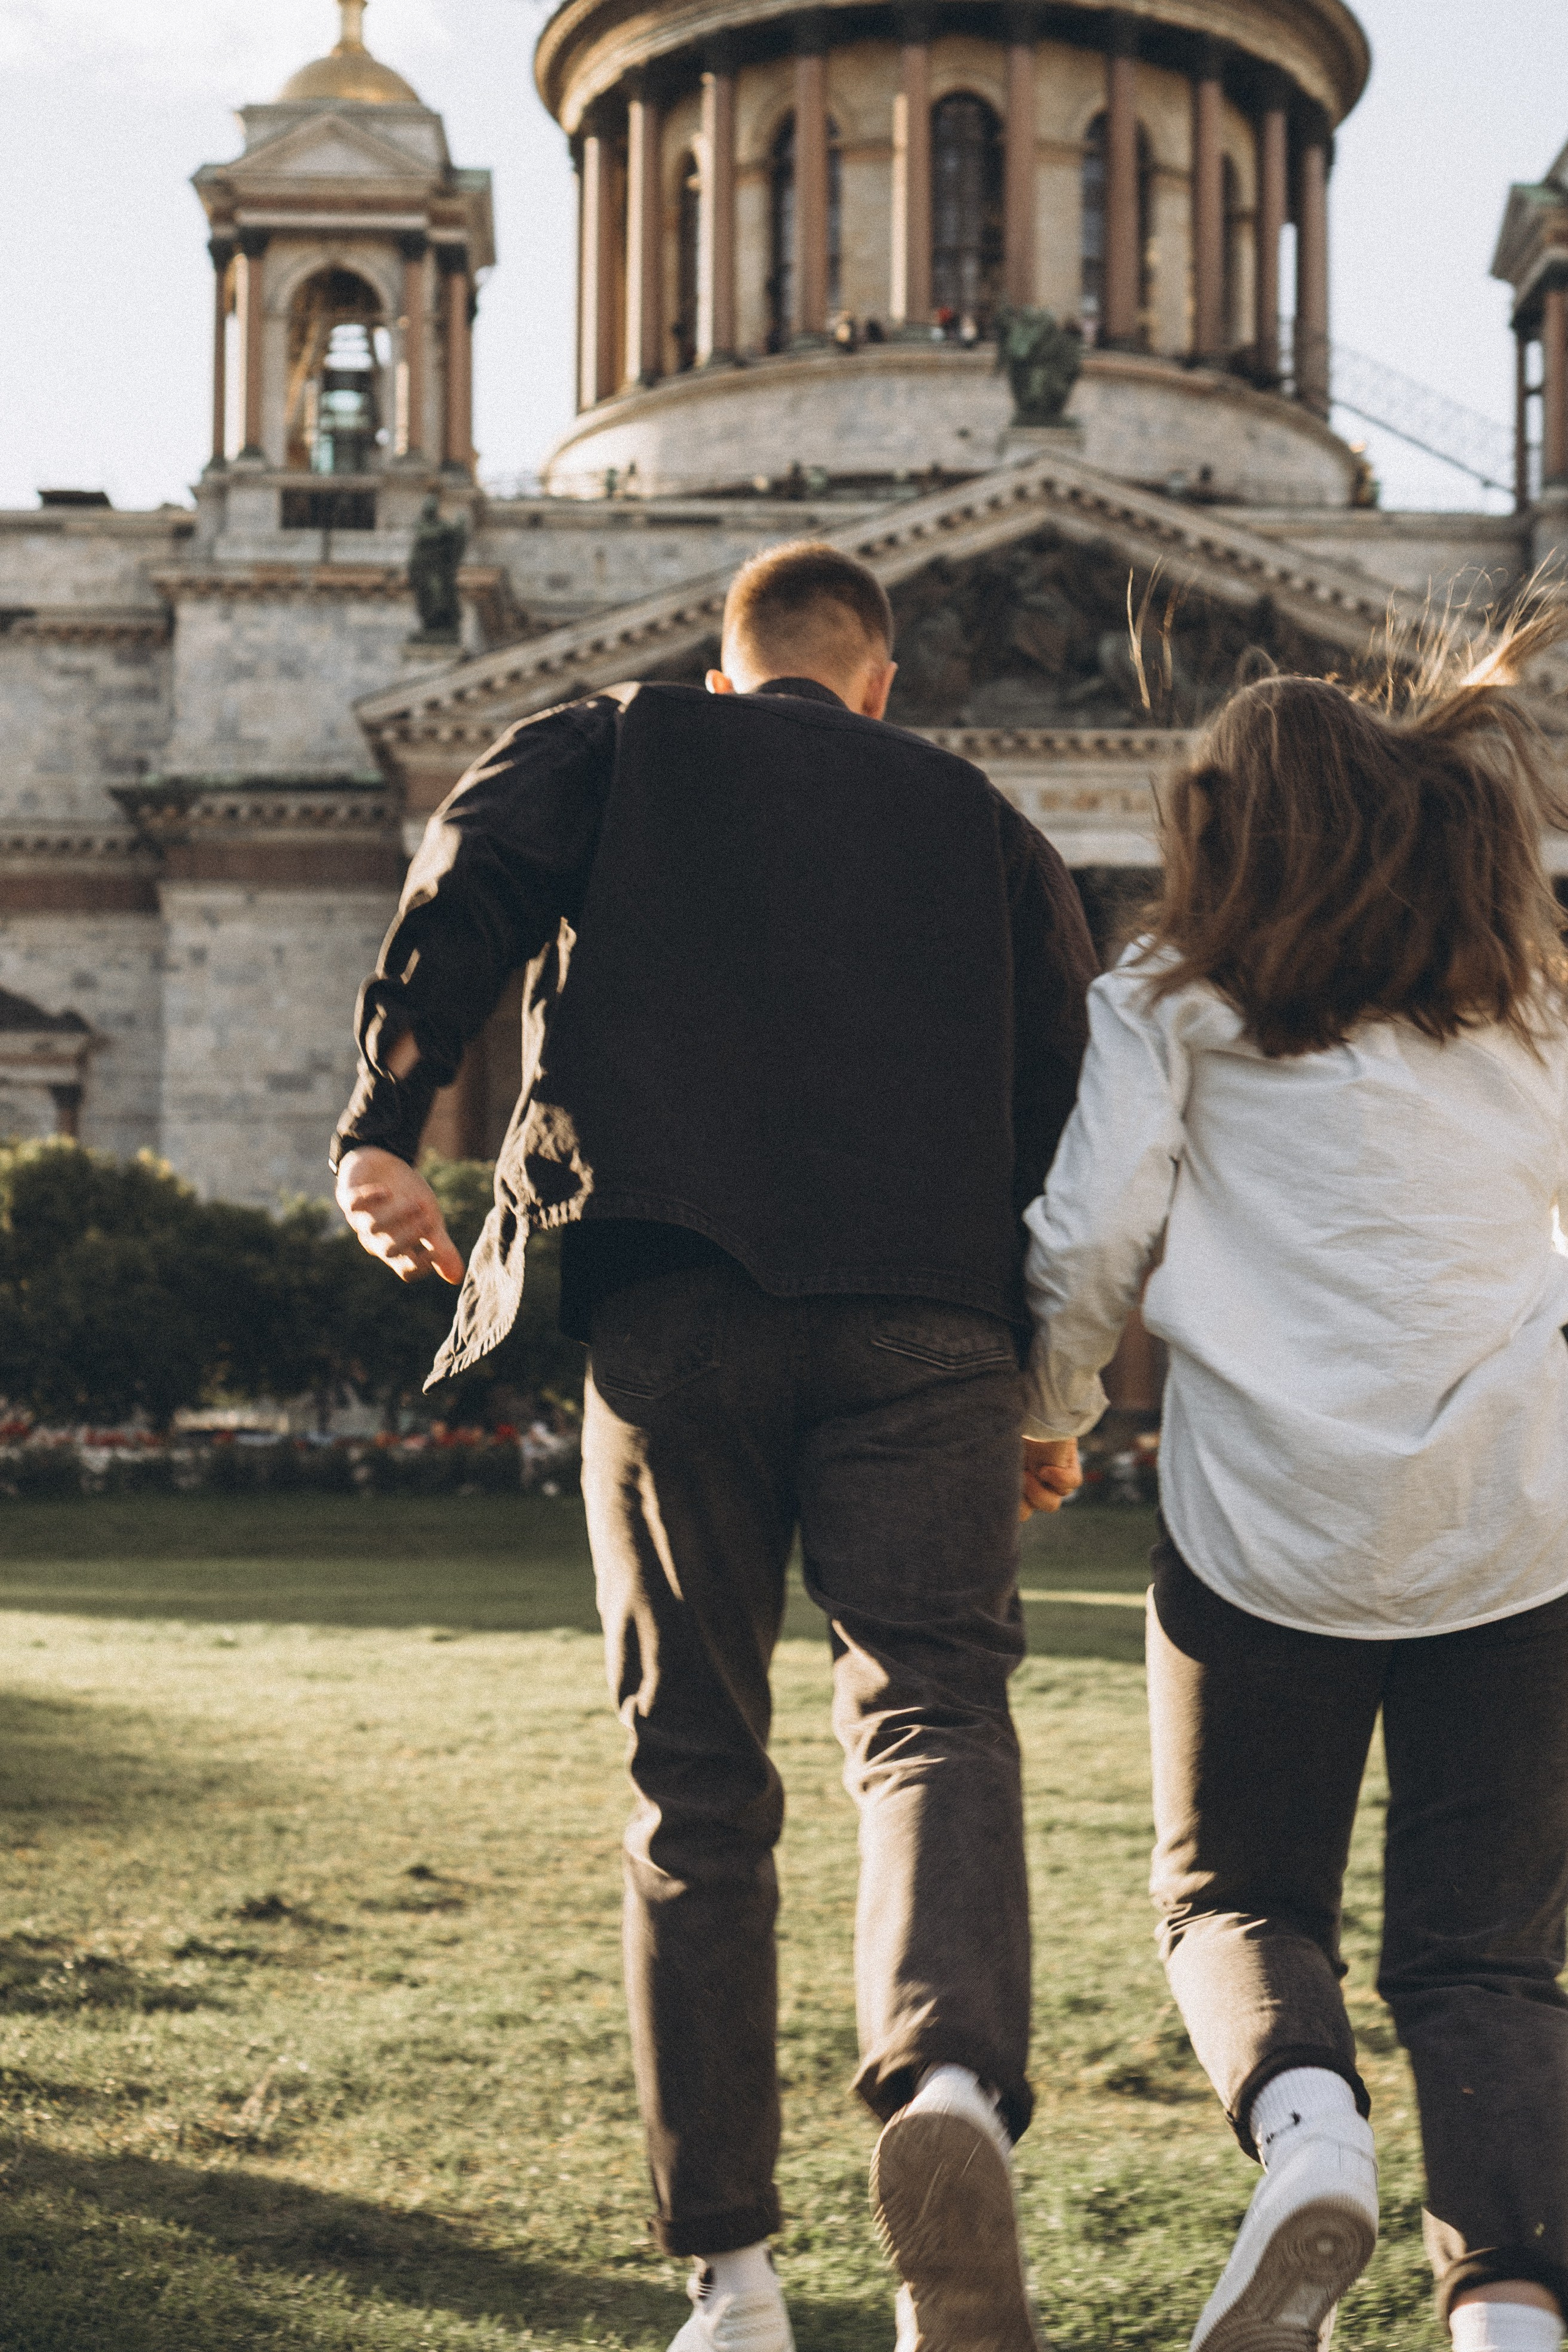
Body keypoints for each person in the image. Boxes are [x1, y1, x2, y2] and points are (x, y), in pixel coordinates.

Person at [331, 541, 1098, 2352]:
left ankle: (734, 2279)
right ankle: (949, 2094)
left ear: (730, 660)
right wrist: (1055, 1392)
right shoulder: (983, 823)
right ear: (884, 680)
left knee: (694, 1778)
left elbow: (470, 873)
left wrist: (387, 1115)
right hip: (927, 1328)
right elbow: (1077, 1108)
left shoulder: (626, 738)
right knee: (931, 1715)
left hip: (674, 1303)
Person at [1019, 611, 1568, 2352]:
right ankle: (1509, 2313)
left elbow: (1088, 1235)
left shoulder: (1166, 1000)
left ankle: (1309, 2136)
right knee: (1485, 1961)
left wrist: (1052, 1414)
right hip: (1524, 1520)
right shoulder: (1528, 1002)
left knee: (1239, 1896)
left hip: (1265, 1533)